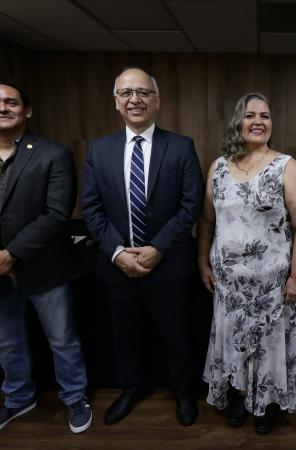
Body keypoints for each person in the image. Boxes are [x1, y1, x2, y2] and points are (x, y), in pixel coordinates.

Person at [81, 67, 203, 427]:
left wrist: (158, 248)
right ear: (116, 102)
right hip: (117, 266)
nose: (135, 99)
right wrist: (118, 253)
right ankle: (131, 388)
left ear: (157, 100)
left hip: (168, 265)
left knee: (177, 335)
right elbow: (91, 209)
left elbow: (190, 205)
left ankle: (183, 391)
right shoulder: (98, 149)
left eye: (143, 92)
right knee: (126, 336)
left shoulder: (181, 147)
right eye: (126, 93)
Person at [198, 92, 296, 435]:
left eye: (265, 116)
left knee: (268, 346)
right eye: (250, 115)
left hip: (273, 288)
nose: (258, 122)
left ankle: (267, 404)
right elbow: (206, 220)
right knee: (235, 342)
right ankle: (240, 396)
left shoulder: (285, 166)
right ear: (238, 122)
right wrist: (203, 263)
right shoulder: (219, 167)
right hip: (229, 288)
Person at [0, 82, 91, 433]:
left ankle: (74, 397)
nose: (4, 108)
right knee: (7, 342)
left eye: (12, 102)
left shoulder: (53, 154)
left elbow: (56, 214)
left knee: (62, 339)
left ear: (27, 110)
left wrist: (12, 254)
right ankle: (18, 397)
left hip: (45, 268)